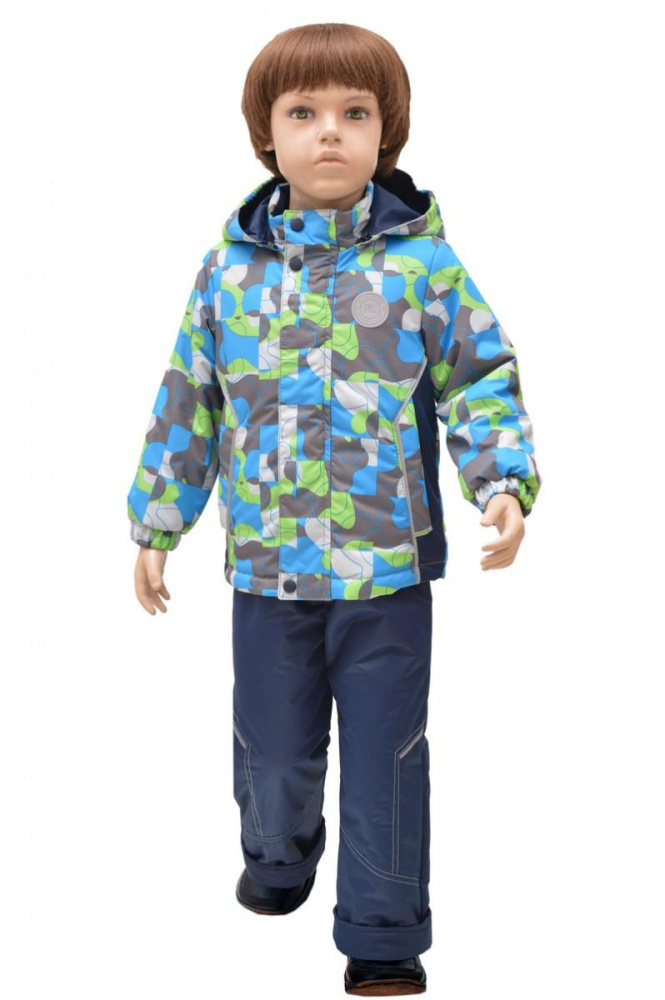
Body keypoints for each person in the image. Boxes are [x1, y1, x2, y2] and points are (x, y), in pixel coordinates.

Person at [126, 22, 543, 997]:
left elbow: (480, 377)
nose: (328, 132)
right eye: (302, 112)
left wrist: (500, 481)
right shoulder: (229, 272)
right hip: (266, 572)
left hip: (385, 571)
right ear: (265, 135)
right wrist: (157, 522)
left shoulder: (422, 267)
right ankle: (278, 854)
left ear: (384, 134)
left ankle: (382, 929)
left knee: (387, 755)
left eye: (354, 113)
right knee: (272, 751)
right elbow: (190, 397)